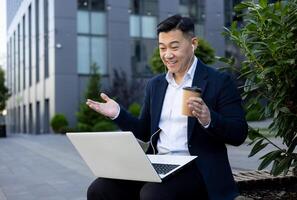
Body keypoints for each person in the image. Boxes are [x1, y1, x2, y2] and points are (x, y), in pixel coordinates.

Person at [86, 14, 248, 200]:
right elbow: (144, 132)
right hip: (158, 163)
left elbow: (239, 133)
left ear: (193, 43)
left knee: (153, 195)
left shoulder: (219, 82)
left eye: (174, 47)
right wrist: (118, 114)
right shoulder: (156, 85)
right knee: (99, 189)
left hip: (198, 167)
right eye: (162, 48)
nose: (167, 54)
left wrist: (208, 118)